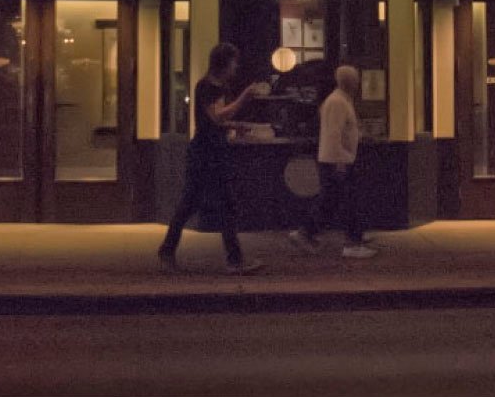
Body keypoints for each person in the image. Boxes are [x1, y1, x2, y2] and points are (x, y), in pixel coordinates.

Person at [158, 42, 263, 275]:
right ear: (224, 63)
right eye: (233, 62)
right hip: (208, 153)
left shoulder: (214, 87)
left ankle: (169, 250)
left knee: (196, 202)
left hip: (209, 150)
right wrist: (243, 98)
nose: (236, 66)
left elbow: (215, 120)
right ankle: (233, 259)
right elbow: (216, 117)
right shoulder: (208, 87)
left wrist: (235, 126)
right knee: (214, 202)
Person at [288, 65, 376, 259]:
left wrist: (358, 137)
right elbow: (333, 134)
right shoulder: (338, 102)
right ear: (348, 82)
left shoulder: (341, 100)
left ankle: (308, 233)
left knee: (332, 200)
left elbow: (343, 130)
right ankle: (351, 242)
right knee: (347, 200)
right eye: (355, 80)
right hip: (338, 160)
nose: (358, 83)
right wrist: (340, 161)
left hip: (337, 158)